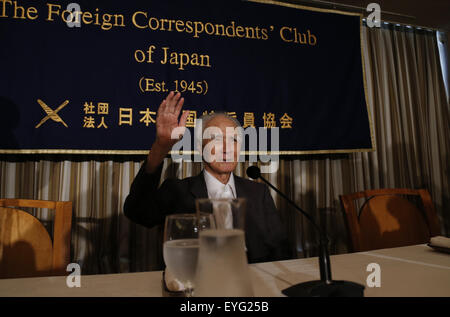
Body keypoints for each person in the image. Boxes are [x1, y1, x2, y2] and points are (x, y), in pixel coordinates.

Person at [124, 91, 289, 263]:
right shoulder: (177, 192)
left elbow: (280, 248)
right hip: (197, 280)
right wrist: (160, 147)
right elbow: (137, 213)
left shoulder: (258, 192)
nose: (226, 148)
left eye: (234, 139)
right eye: (216, 139)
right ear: (199, 146)